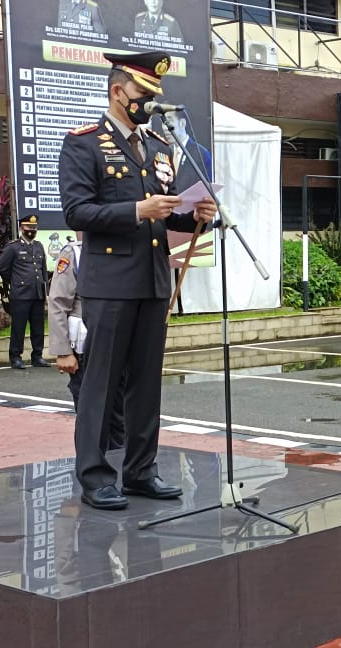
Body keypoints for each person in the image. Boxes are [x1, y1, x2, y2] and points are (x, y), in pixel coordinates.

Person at [59, 50, 217, 510]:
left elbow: (166, 219)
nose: (148, 102)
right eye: (142, 94)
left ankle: (140, 470)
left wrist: (195, 217)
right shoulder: (84, 143)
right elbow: (77, 211)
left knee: (146, 384)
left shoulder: (160, 147)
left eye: (153, 96)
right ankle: (94, 476)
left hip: (152, 280)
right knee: (102, 384)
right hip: (109, 282)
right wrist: (136, 210)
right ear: (117, 91)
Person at [47, 238, 125, 451]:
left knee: (121, 420)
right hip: (85, 350)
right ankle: (92, 476)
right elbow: (58, 303)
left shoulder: (126, 250)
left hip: (119, 347)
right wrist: (63, 351)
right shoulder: (75, 253)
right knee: (92, 420)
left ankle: (119, 472)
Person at [0, 214, 51, 370]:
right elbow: (2, 267)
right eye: (29, 228)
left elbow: (42, 270)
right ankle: (15, 357)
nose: (32, 231)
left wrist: (45, 292)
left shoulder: (39, 246)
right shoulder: (13, 247)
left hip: (37, 293)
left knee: (38, 327)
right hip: (20, 294)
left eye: (34, 228)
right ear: (22, 228)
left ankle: (37, 356)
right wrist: (15, 281)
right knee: (19, 327)